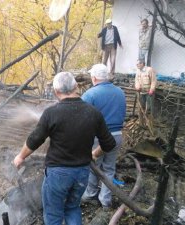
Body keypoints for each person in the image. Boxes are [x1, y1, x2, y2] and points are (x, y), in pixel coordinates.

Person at [13, 72, 116, 225]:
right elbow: (109, 144)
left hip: (58, 174)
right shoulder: (94, 113)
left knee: (53, 214)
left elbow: (35, 139)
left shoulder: (52, 113)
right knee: (73, 208)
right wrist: (94, 153)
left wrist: (20, 157)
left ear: (56, 92)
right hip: (82, 173)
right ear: (76, 87)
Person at [81, 64, 126, 209]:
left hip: (98, 138)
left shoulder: (90, 94)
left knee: (93, 165)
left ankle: (90, 194)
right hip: (117, 136)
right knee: (109, 168)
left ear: (94, 77)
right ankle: (105, 200)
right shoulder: (120, 92)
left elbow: (81, 118)